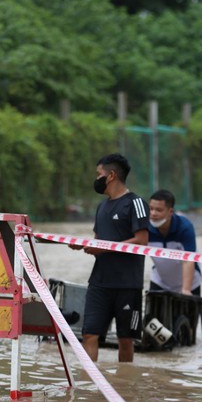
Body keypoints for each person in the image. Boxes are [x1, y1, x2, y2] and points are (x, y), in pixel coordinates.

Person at [71, 153, 149, 362]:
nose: (96, 179)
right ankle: (89, 386)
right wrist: (84, 245)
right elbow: (98, 240)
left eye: (99, 174)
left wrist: (103, 248)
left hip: (128, 285)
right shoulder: (101, 207)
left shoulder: (136, 203)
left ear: (111, 175)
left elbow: (142, 241)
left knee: (125, 339)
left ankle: (124, 387)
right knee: (89, 334)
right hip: (99, 283)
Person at [148, 189, 202, 296]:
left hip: (190, 283)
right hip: (159, 281)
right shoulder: (145, 227)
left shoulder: (185, 228)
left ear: (170, 212)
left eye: (159, 210)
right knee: (153, 313)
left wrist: (186, 290)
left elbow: (188, 260)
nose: (153, 213)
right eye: (151, 209)